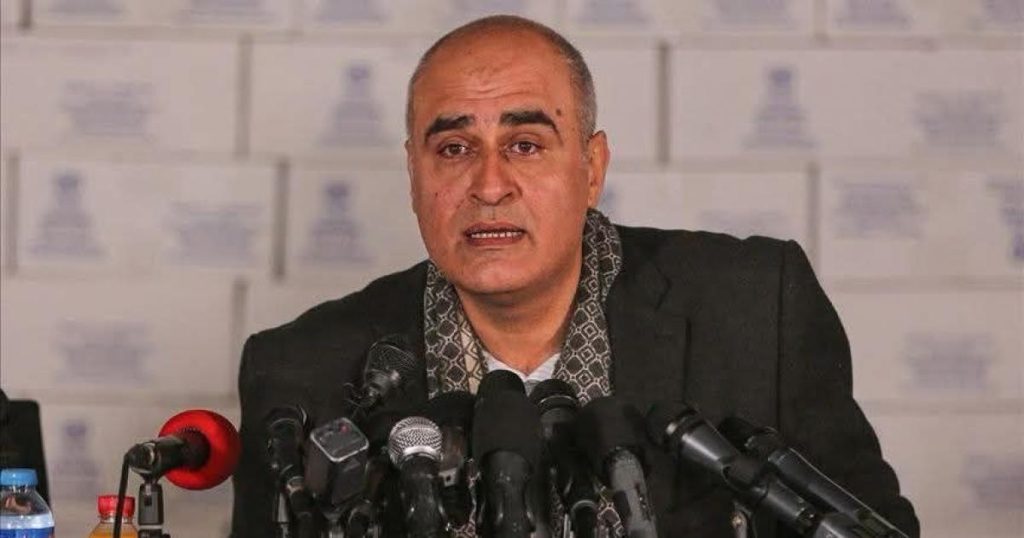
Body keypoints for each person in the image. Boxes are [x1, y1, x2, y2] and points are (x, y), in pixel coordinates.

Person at [231, 15, 919, 537]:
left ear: (591, 169)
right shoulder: (300, 370)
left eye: (525, 145)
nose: (489, 185)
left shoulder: (756, 307)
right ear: (414, 174)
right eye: (455, 148)